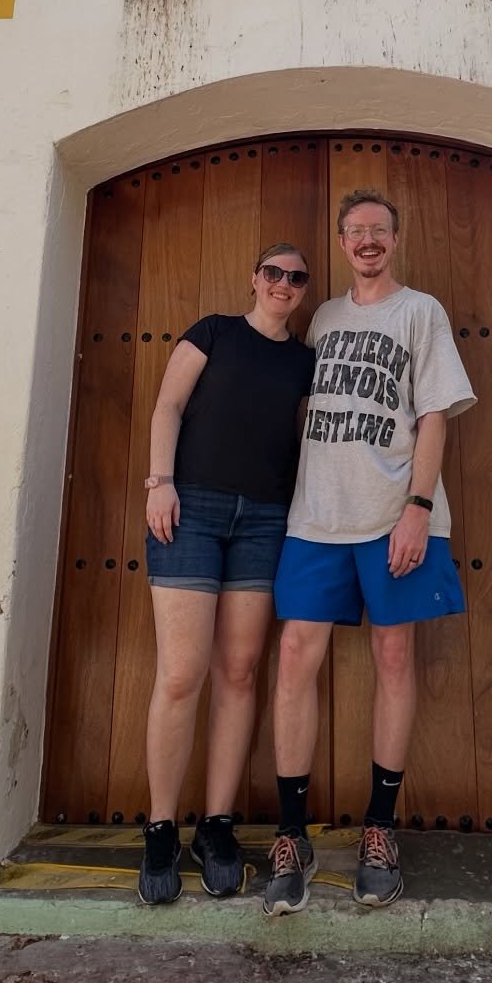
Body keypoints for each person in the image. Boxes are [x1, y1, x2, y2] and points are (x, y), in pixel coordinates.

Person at [264, 189, 475, 915]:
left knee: (393, 656)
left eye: (379, 230)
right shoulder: (322, 317)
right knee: (296, 654)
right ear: (341, 242)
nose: (367, 241)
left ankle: (379, 831)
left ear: (395, 238)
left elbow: (435, 415)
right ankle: (292, 834)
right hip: (316, 515)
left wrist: (419, 507)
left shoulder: (420, 311)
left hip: (393, 515)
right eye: (355, 231)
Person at [138, 244, 316, 905]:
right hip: (191, 509)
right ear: (254, 279)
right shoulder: (213, 331)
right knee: (181, 674)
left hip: (265, 520)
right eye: (273, 272)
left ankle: (216, 826)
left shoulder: (304, 362)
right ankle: (161, 828)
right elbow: (168, 406)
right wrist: (159, 481)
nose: (283, 283)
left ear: (303, 290)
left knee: (239, 673)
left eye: (296, 277)